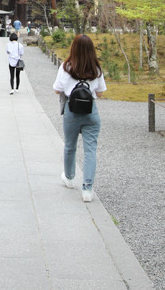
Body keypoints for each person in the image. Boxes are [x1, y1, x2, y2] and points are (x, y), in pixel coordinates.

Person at [54, 34, 106, 202]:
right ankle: (87, 189)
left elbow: (57, 89)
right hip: (91, 112)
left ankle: (69, 178)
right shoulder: (96, 69)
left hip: (72, 110)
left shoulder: (66, 67)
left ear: (73, 48)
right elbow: (99, 92)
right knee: (90, 150)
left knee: (70, 146)